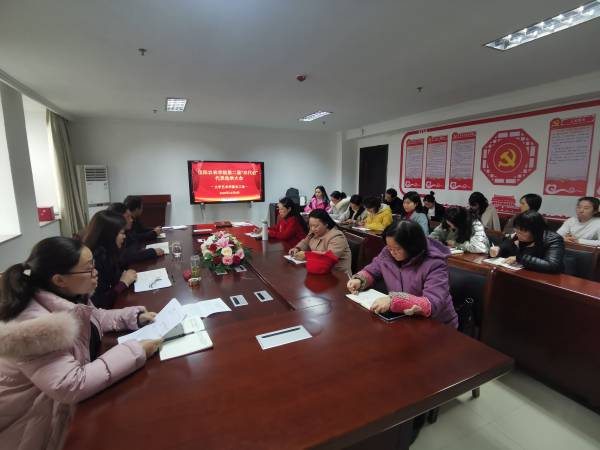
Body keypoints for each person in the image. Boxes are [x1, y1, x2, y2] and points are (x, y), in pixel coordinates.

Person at [0, 237, 160, 450]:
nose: (96, 272)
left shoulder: (67, 295)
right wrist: (135, 350)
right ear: (59, 279)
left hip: (56, 405)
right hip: (32, 423)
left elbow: (95, 317)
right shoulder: (33, 328)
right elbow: (70, 384)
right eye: (88, 269)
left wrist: (133, 317)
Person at [347, 220, 458, 327]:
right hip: (404, 319)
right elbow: (373, 270)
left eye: (397, 249)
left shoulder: (435, 263)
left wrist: (393, 301)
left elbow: (432, 303)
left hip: (436, 324)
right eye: (389, 247)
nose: (392, 252)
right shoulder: (388, 252)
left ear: (412, 246)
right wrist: (360, 279)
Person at [82, 210, 138, 309]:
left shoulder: (108, 252)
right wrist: (123, 283)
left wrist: (123, 277)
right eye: (122, 233)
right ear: (109, 235)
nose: (124, 236)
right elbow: (99, 302)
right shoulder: (95, 260)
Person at [490, 210, 564, 273]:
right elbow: (506, 245)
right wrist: (498, 249)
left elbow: (552, 265)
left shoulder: (553, 239)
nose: (518, 235)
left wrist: (519, 258)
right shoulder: (518, 234)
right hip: (519, 273)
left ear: (536, 230)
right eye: (517, 231)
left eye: (522, 232)